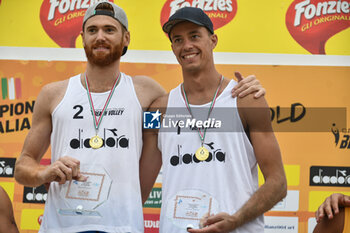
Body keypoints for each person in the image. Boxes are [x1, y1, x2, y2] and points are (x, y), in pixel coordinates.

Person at [14, 2, 264, 233]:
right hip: (61, 226)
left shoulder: (148, 95)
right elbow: (23, 166)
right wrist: (43, 174)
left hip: (123, 227)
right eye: (92, 30)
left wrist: (249, 90)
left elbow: (193, 113)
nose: (100, 36)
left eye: (109, 30)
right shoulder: (53, 95)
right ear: (82, 38)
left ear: (126, 38)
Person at [139, 7, 287, 233]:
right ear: (173, 48)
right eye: (178, 39)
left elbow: (278, 184)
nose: (186, 45)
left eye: (195, 36)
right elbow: (139, 187)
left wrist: (236, 220)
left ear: (213, 40)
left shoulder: (247, 100)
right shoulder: (159, 109)